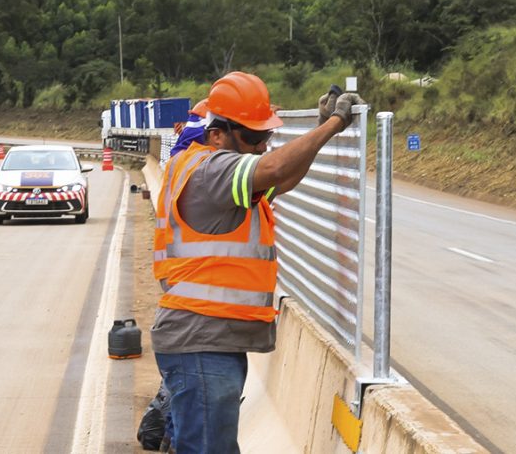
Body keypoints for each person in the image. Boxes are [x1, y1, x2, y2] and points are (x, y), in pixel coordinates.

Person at [151, 71, 362, 453]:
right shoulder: (209, 171)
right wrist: (334, 124)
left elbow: (284, 178)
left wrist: (317, 131)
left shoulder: (213, 172)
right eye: (253, 137)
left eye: (267, 136)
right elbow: (276, 169)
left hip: (209, 338)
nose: (263, 146)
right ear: (217, 134)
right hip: (201, 339)